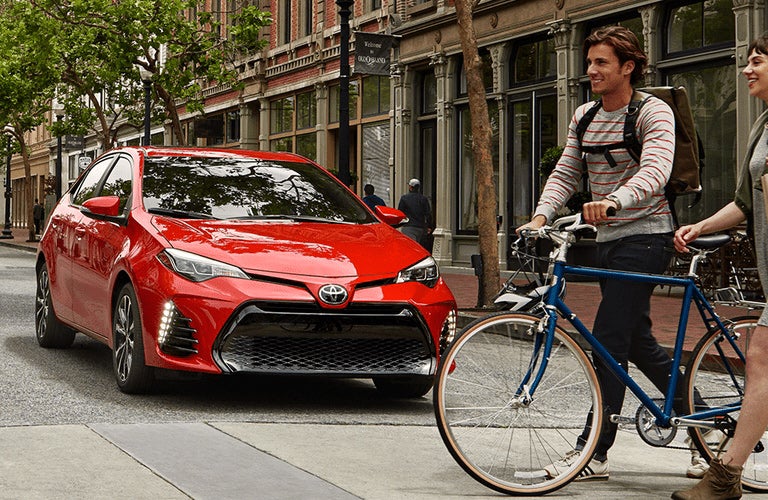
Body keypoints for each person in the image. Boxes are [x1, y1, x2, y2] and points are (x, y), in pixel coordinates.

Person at [517, 26, 680, 482]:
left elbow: (656, 170)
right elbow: (567, 171)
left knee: (608, 341)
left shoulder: (653, 112)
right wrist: (540, 217)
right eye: (589, 62)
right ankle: (711, 426)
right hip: (606, 241)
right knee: (637, 343)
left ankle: (593, 453)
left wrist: (615, 201)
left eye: (601, 62)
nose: (591, 70)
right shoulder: (584, 116)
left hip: (647, 236)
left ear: (628, 67)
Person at [670, 33, 768, 500]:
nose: (747, 69)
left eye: (758, 61)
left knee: (761, 361)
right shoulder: (762, 124)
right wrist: (700, 225)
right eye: (747, 61)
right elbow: (745, 203)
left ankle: (724, 477)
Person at [398, 178, 433, 251]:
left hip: (408, 227)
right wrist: (429, 226)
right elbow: (428, 213)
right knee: (419, 249)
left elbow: (400, 213)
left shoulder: (404, 198)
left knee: (410, 249)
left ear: (410, 187)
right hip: (421, 228)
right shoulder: (423, 199)